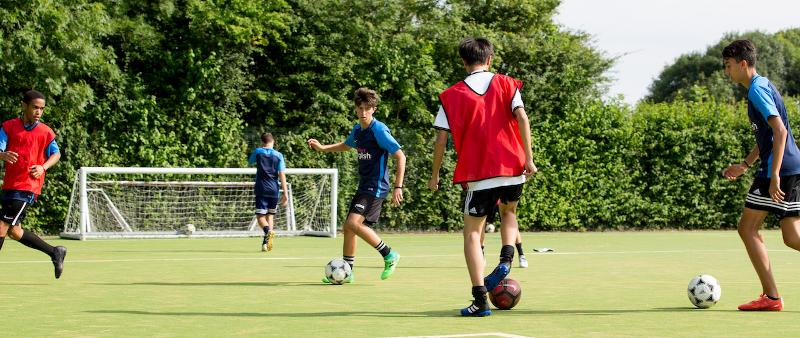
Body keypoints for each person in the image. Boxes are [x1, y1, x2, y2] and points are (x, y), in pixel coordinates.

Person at [428, 37, 536, 316]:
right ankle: (505, 261)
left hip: (479, 173)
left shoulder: (451, 95)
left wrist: (435, 175)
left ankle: (479, 301)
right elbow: (522, 118)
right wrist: (530, 160)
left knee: (472, 235)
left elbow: (441, 140)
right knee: (509, 213)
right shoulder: (508, 84)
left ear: (464, 62)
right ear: (489, 59)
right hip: (513, 168)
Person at [721, 39, 800, 311]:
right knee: (792, 236)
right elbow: (767, 137)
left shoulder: (756, 90)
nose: (726, 72)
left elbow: (780, 132)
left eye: (729, 66)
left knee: (747, 228)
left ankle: (772, 297)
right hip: (793, 166)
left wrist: (774, 174)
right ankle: (772, 297)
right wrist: (744, 164)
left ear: (743, 64)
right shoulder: (764, 84)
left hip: (778, 170)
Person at [308, 87, 405, 283]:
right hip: (365, 185)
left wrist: (398, 186)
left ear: (373, 109)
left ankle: (389, 254)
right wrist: (322, 148)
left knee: (352, 223)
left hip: (376, 186)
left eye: (367, 109)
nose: (363, 112)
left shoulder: (379, 130)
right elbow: (346, 145)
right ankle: (348, 271)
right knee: (349, 227)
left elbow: (400, 156)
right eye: (360, 108)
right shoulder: (357, 130)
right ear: (356, 109)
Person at [0, 90, 66, 279]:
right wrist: (2, 154)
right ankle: (55, 252)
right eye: (35, 107)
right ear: (24, 106)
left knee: (2, 225)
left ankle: (55, 252)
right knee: (14, 231)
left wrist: (43, 167)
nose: (38, 112)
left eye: (42, 109)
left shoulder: (45, 131)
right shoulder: (8, 126)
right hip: (10, 185)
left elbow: (56, 154)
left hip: (27, 186)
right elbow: (0, 146)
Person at [247, 132, 288, 252]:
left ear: (262, 141)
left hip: (261, 188)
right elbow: (282, 174)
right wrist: (285, 193)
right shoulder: (279, 155)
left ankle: (267, 232)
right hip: (274, 190)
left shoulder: (258, 151)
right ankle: (265, 243)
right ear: (273, 141)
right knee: (270, 216)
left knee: (260, 217)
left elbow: (250, 161)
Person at [483, 201, 528, 268]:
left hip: (503, 199)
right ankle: (481, 254)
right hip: (489, 198)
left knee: (511, 224)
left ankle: (521, 255)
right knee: (481, 224)